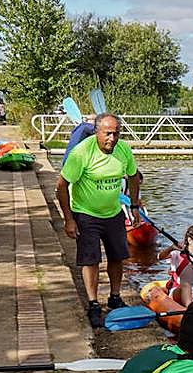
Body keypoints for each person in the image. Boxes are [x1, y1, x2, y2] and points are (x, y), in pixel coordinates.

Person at [57, 112, 143, 328]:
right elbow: (61, 186)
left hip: (113, 212)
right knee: (91, 259)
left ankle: (115, 297)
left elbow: (133, 176)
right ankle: (94, 303)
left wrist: (134, 205)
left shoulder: (123, 150)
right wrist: (69, 219)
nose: (112, 139)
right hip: (86, 213)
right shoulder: (82, 152)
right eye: (107, 134)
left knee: (117, 256)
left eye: (116, 134)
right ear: (96, 132)